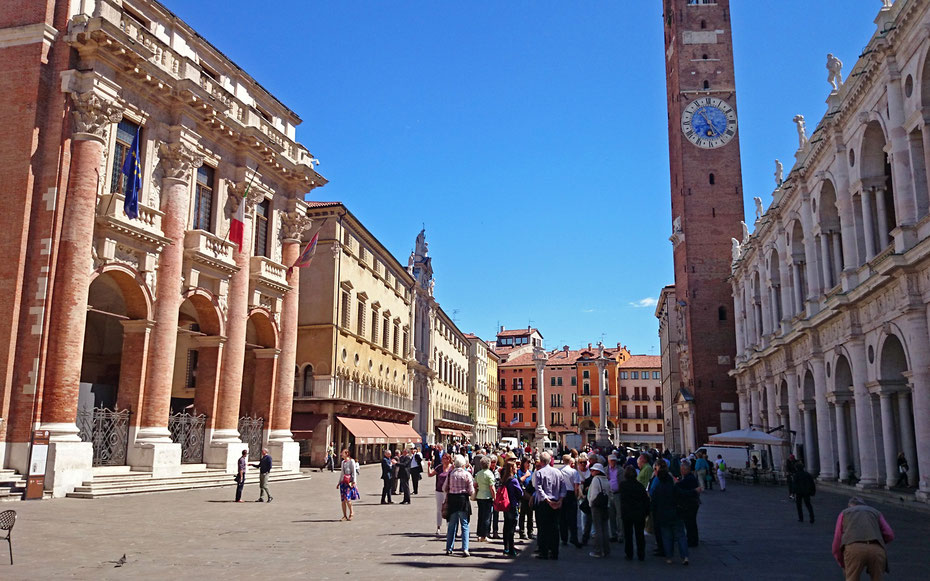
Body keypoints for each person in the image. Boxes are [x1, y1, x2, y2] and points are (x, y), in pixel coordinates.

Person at [831, 497, 894, 581]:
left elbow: (837, 539)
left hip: (853, 548)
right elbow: (889, 535)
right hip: (876, 548)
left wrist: (841, 562)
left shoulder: (845, 513)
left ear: (850, 506)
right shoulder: (876, 512)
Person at [651, 460, 688, 565]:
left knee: (667, 537)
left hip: (663, 515)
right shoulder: (673, 487)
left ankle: (669, 557)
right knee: (681, 535)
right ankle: (684, 556)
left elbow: (653, 502)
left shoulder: (658, 489)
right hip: (676, 513)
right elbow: (683, 495)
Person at [532, 451, 567, 560]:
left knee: (543, 528)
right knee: (555, 528)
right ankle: (554, 551)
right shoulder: (558, 472)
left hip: (544, 503)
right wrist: (560, 500)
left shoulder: (539, 473)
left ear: (541, 461)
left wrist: (547, 500)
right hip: (556, 502)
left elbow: (539, 489)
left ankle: (544, 551)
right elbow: (563, 487)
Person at [443, 454, 475, 557]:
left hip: (452, 499)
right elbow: (471, 491)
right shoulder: (467, 474)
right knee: (465, 525)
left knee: (452, 525)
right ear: (463, 464)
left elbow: (444, 488)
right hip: (463, 500)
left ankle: (449, 548)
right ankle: (465, 548)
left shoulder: (450, 474)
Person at [619, 465, 650, 561]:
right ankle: (641, 554)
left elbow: (622, 499)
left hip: (627, 513)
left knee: (628, 534)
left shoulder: (623, 485)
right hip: (639, 513)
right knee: (639, 535)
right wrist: (646, 512)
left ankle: (629, 553)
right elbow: (646, 500)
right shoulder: (640, 486)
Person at [587, 462, 611, 558]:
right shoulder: (606, 480)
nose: (591, 471)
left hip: (596, 506)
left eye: (593, 470)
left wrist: (590, 503)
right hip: (605, 505)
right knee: (605, 528)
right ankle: (606, 549)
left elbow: (593, 495)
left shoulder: (596, 480)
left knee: (598, 528)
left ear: (597, 471)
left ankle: (598, 550)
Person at [500, 460, 523, 557]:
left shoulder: (504, 479)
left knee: (506, 526)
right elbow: (520, 493)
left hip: (506, 505)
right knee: (512, 528)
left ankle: (506, 547)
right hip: (513, 505)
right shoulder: (513, 480)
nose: (517, 469)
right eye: (515, 467)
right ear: (511, 469)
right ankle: (511, 548)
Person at [676, 459, 701, 546]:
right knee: (691, 523)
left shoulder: (689, 478)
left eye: (682, 469)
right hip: (692, 502)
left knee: (690, 523)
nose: (681, 471)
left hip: (691, 503)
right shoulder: (689, 477)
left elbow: (679, 485)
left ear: (686, 469)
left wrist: (674, 481)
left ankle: (692, 540)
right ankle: (693, 539)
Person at [558, 454, 581, 548]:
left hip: (562, 494)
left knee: (562, 517)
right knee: (572, 518)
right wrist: (576, 496)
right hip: (571, 494)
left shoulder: (559, 471)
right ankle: (574, 537)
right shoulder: (574, 472)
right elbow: (576, 486)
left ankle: (564, 538)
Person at [429, 451, 454, 534]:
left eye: (446, 458)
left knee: (448, 509)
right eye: (443, 458)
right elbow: (430, 474)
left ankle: (448, 526)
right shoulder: (439, 467)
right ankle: (438, 527)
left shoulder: (452, 468)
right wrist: (429, 466)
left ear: (449, 459)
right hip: (439, 490)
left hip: (449, 491)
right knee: (439, 509)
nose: (444, 460)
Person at [475, 456, 496, 542]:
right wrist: (494, 497)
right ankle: (484, 535)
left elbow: (475, 485)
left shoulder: (478, 473)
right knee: (487, 517)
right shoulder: (489, 473)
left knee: (480, 516)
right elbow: (492, 487)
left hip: (480, 496)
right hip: (487, 496)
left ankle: (479, 534)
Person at [338, 449, 360, 521]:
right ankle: (344, 516)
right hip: (343, 482)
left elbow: (354, 471)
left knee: (348, 498)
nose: (341, 454)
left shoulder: (351, 461)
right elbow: (342, 473)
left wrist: (354, 482)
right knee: (343, 500)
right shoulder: (343, 462)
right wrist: (339, 482)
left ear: (347, 454)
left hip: (349, 482)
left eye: (343, 453)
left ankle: (351, 513)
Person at [517, 456, 535, 539]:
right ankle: (522, 532)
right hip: (522, 496)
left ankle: (530, 532)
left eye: (529, 463)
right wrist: (525, 476)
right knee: (522, 515)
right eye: (527, 463)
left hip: (530, 496)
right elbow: (518, 481)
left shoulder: (531, 472)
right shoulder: (519, 472)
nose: (528, 464)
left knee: (530, 515)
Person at [606, 452, 622, 543]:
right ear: (608, 461)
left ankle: (620, 535)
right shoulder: (605, 470)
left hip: (618, 494)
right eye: (611, 461)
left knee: (619, 515)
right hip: (609, 494)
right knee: (611, 515)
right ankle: (613, 534)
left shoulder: (620, 470)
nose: (612, 462)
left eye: (614, 461)